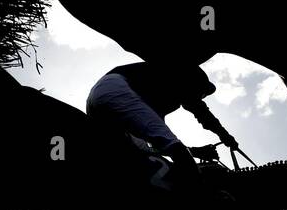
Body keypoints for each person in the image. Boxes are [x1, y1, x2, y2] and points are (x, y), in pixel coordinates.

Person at [85, 59, 239, 191]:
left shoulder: (156, 100)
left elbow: (158, 147)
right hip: (115, 88)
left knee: (148, 155)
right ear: (198, 85)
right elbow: (201, 112)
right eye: (202, 95)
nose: (201, 98)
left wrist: (194, 152)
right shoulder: (184, 76)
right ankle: (202, 198)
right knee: (179, 153)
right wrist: (226, 136)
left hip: (98, 102)